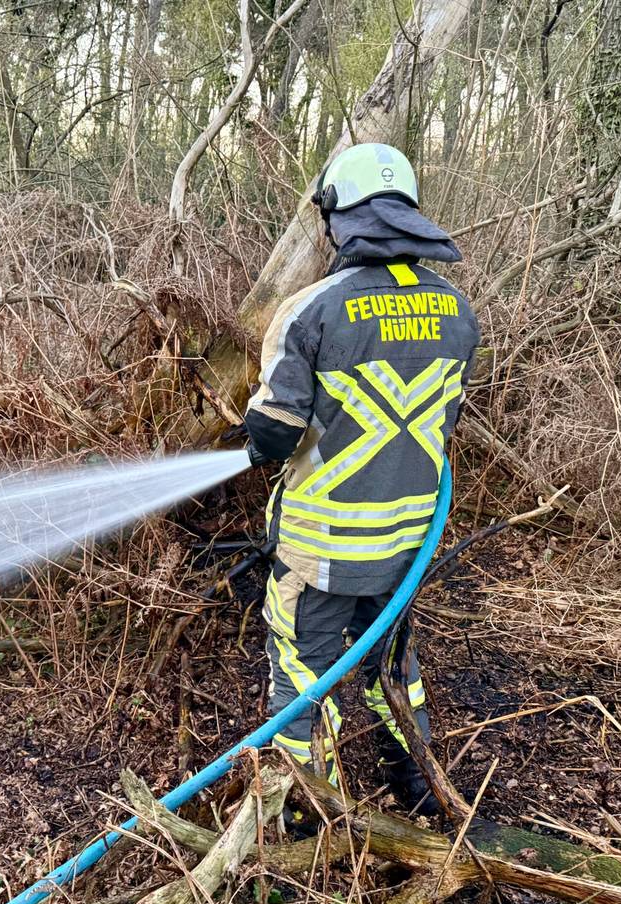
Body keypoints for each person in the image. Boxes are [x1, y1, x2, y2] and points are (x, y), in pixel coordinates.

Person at [244, 143, 480, 813]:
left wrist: (248, 433)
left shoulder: (310, 310)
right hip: (405, 547)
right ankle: (419, 787)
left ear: (335, 222)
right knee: (392, 665)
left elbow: (273, 435)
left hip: (319, 552)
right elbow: (443, 420)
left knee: (302, 673)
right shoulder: (458, 314)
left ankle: (307, 821)